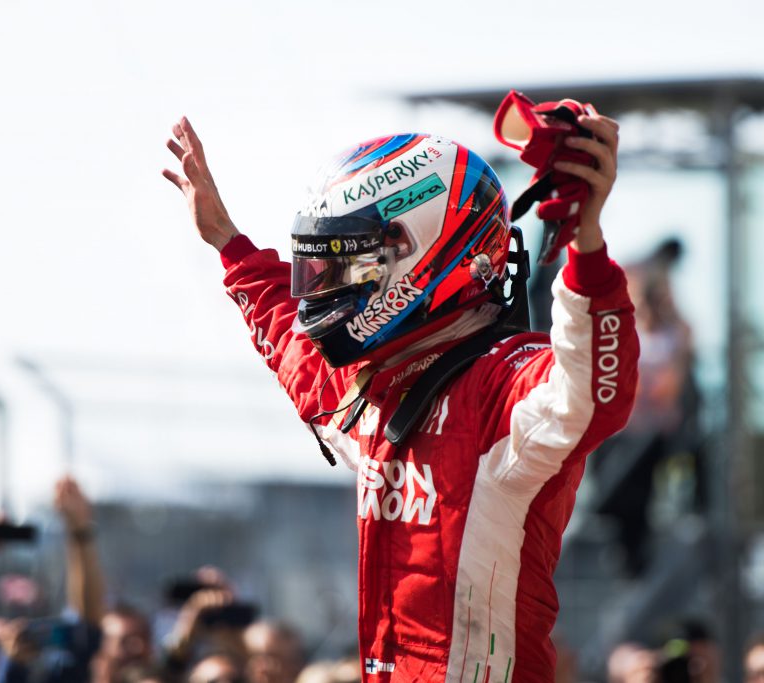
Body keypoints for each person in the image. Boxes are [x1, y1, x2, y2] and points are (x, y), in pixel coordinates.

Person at [163, 111, 637, 681]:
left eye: (346, 262)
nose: (325, 284)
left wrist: (587, 245)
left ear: (424, 253)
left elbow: (593, 391)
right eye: (319, 266)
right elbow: (290, 340)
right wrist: (227, 242)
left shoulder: (505, 382)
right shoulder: (371, 386)